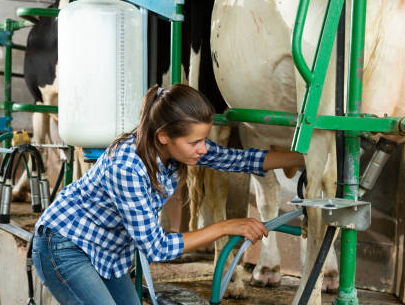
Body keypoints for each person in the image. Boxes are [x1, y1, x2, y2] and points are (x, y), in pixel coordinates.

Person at [32, 84, 304, 304]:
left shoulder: (172, 150)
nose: (203, 149)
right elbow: (157, 248)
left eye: (203, 140)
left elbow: (239, 160)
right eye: (195, 142)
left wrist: (304, 158)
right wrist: (226, 227)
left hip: (105, 250)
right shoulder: (127, 167)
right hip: (65, 246)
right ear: (164, 136)